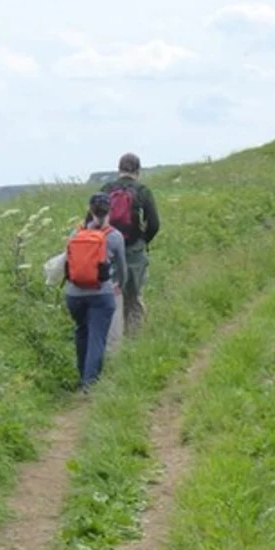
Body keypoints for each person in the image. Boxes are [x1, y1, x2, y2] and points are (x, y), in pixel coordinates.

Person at [65, 192, 127, 391]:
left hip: (73, 295)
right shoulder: (115, 236)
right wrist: (120, 285)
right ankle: (89, 383)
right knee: (97, 336)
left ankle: (82, 375)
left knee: (81, 331)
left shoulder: (76, 233)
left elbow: (69, 262)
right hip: (101, 293)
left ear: (90, 210)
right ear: (110, 210)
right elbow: (123, 269)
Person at [101, 153, 160, 334]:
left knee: (112, 294)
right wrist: (142, 240)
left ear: (118, 169)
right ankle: (133, 340)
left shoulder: (106, 189)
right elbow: (154, 224)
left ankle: (112, 339)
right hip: (134, 250)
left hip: (109, 249)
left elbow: (93, 220)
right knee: (133, 297)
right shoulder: (142, 191)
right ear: (138, 171)